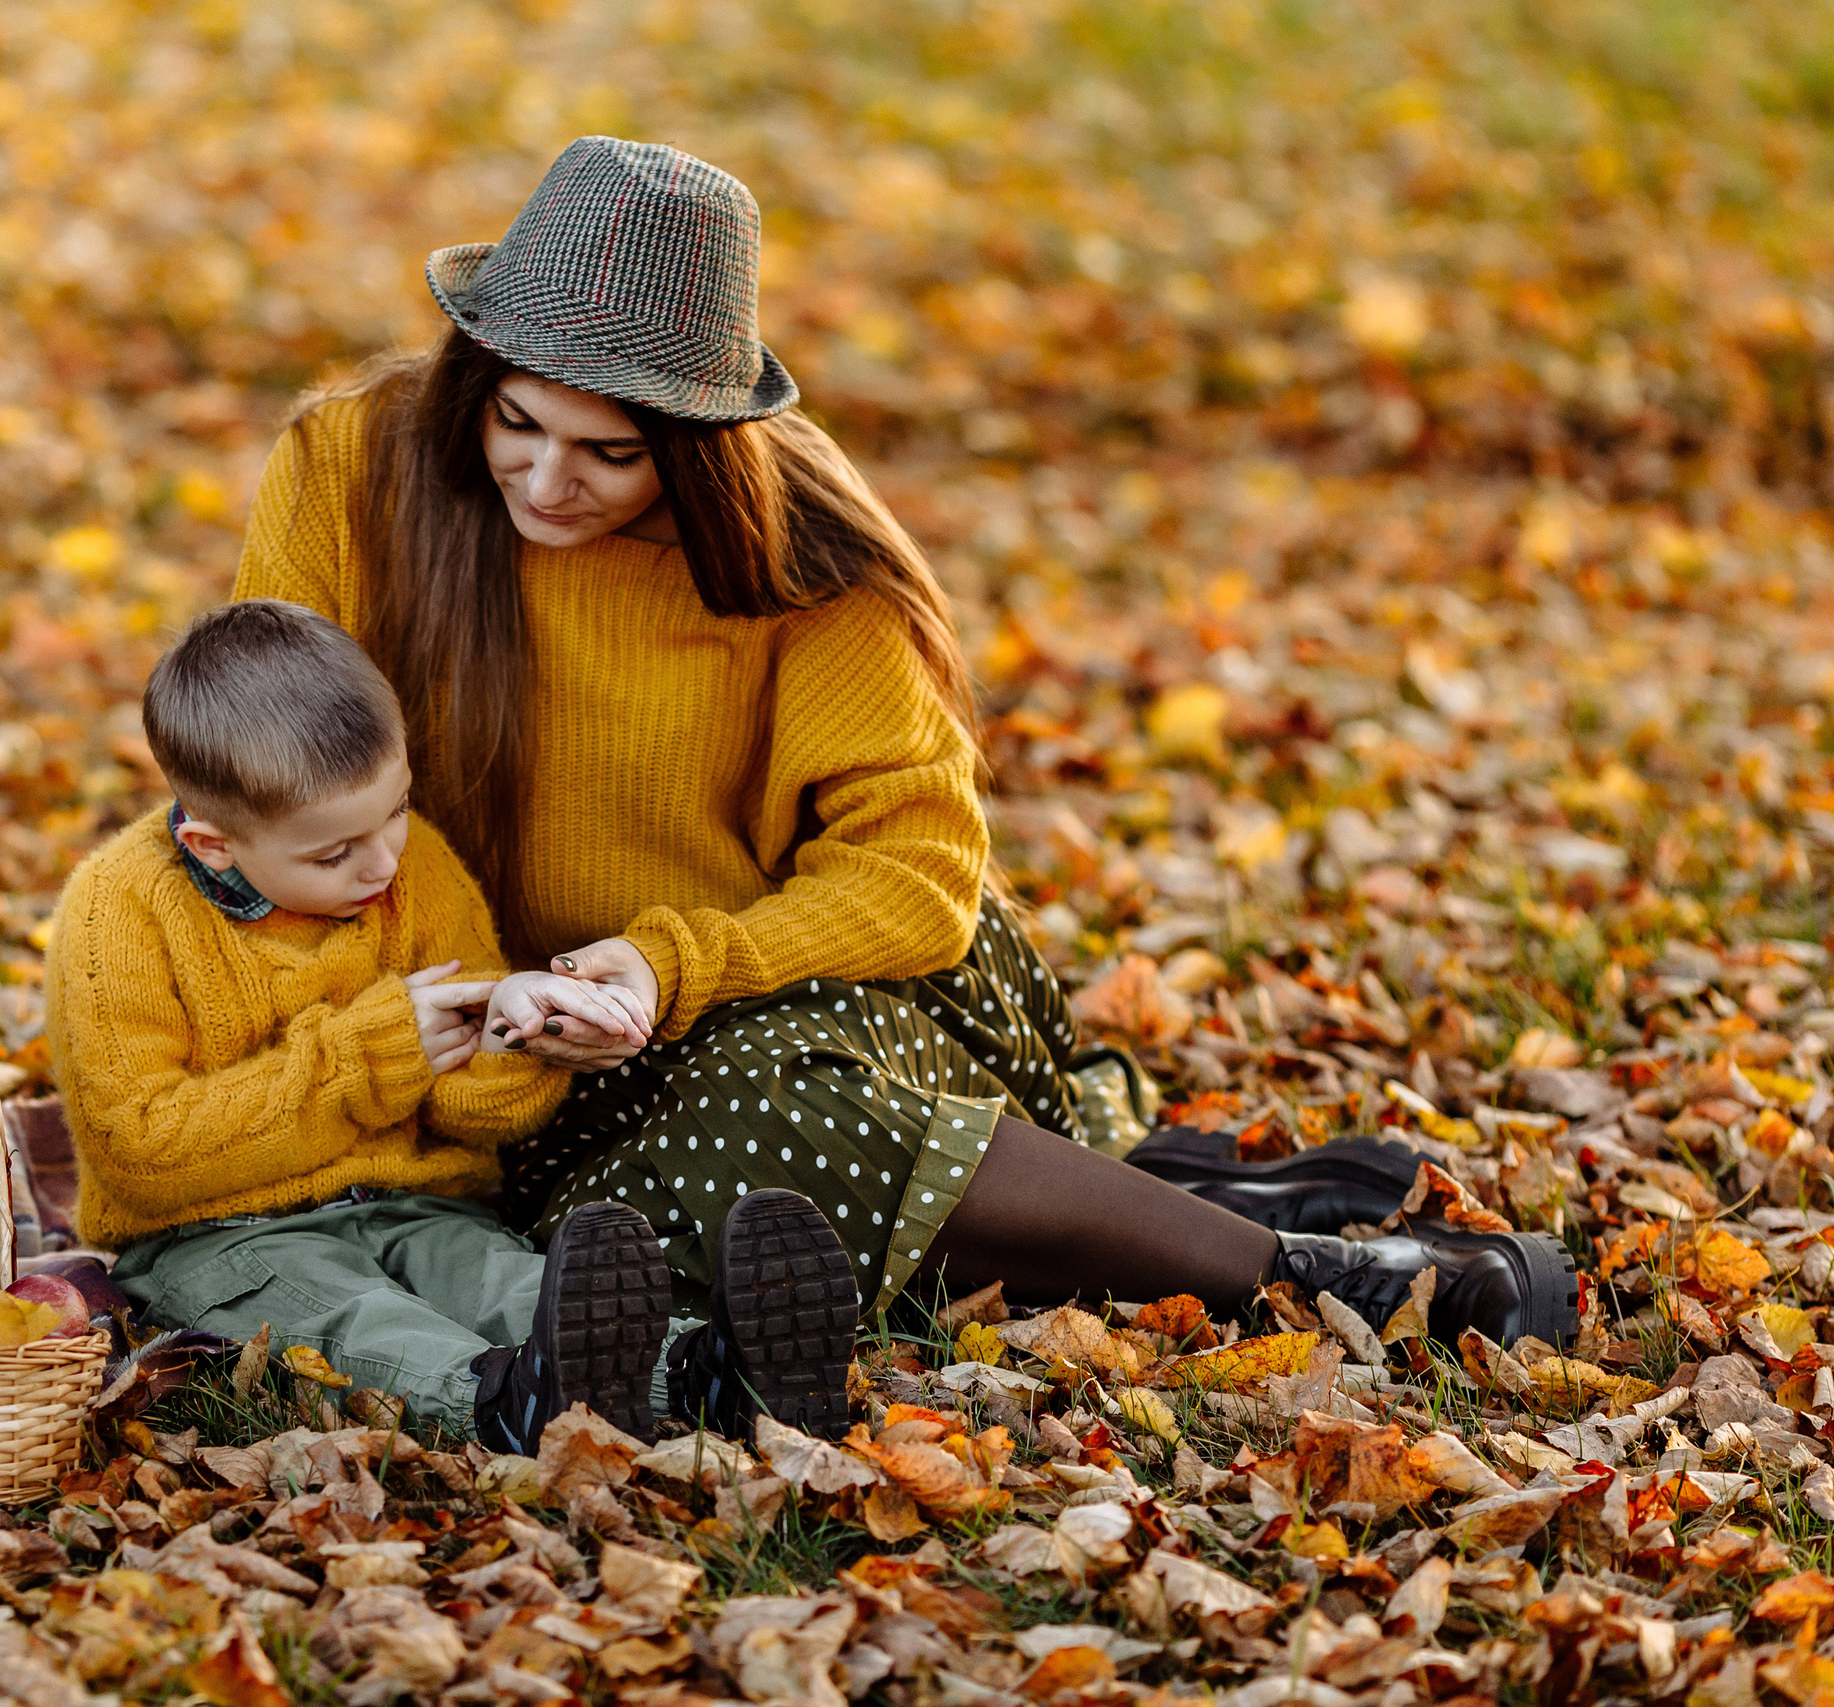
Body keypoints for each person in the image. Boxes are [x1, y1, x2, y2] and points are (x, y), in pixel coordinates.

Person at [231, 134, 1577, 1408]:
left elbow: (920, 870)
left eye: (610, 453)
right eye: (516, 424)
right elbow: (263, 760)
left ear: (695, 442)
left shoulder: (796, 558)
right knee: (612, 1233)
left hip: (800, 984)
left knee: (758, 1125)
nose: (546, 479)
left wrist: (666, 967)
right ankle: (1182, 1201)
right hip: (521, 1035)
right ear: (477, 372)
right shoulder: (352, 469)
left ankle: (1313, 1282)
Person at [43, 599, 859, 1452]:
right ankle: (506, 1401)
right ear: (216, 846)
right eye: (334, 854)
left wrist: (517, 1036)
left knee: (502, 1279)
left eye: (397, 809)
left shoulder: (413, 867)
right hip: (216, 1238)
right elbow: (138, 1150)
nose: (385, 860)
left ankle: (706, 1373)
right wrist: (369, 1059)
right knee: (353, 1316)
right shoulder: (119, 912)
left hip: (414, 1203)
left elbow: (472, 1118)